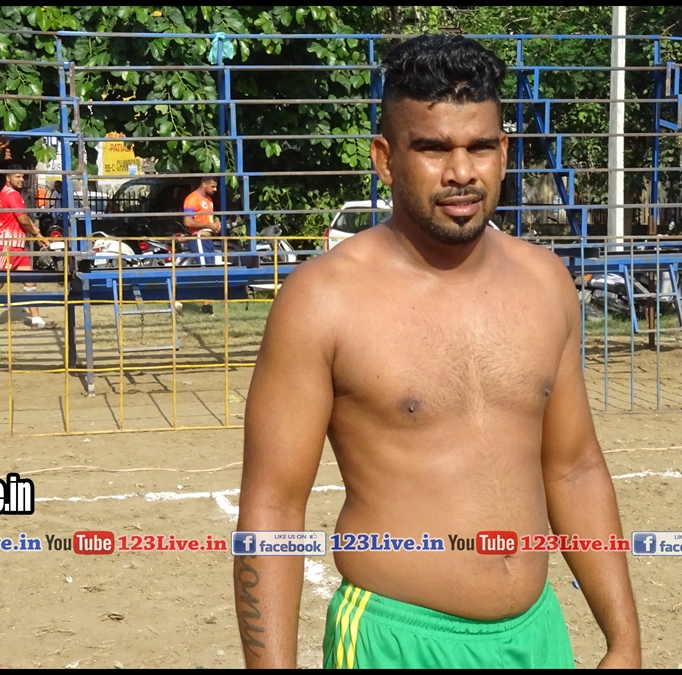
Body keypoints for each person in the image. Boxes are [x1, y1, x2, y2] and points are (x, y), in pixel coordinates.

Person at [234, 35, 641, 670]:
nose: (461, 172)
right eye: (432, 148)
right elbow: (274, 508)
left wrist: (623, 641)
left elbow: (575, 468)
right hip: (397, 642)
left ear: (504, 152)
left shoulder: (545, 283)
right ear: (386, 159)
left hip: (537, 637)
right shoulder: (322, 301)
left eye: (479, 146)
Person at [0, 171, 56, 331]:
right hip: (7, 245)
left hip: (17, 245)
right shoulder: (12, 195)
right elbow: (23, 220)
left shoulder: (11, 194)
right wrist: (37, 234)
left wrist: (37, 233)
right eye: (17, 176)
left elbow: (24, 218)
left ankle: (36, 320)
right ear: (8, 178)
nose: (21, 179)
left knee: (30, 282)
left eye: (23, 177)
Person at [182, 176, 219, 314]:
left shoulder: (209, 200)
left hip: (208, 239)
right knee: (205, 271)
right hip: (199, 237)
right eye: (212, 186)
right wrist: (209, 225)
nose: (215, 189)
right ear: (204, 184)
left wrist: (214, 227)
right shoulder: (192, 198)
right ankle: (206, 307)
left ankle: (207, 304)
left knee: (211, 270)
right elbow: (188, 221)